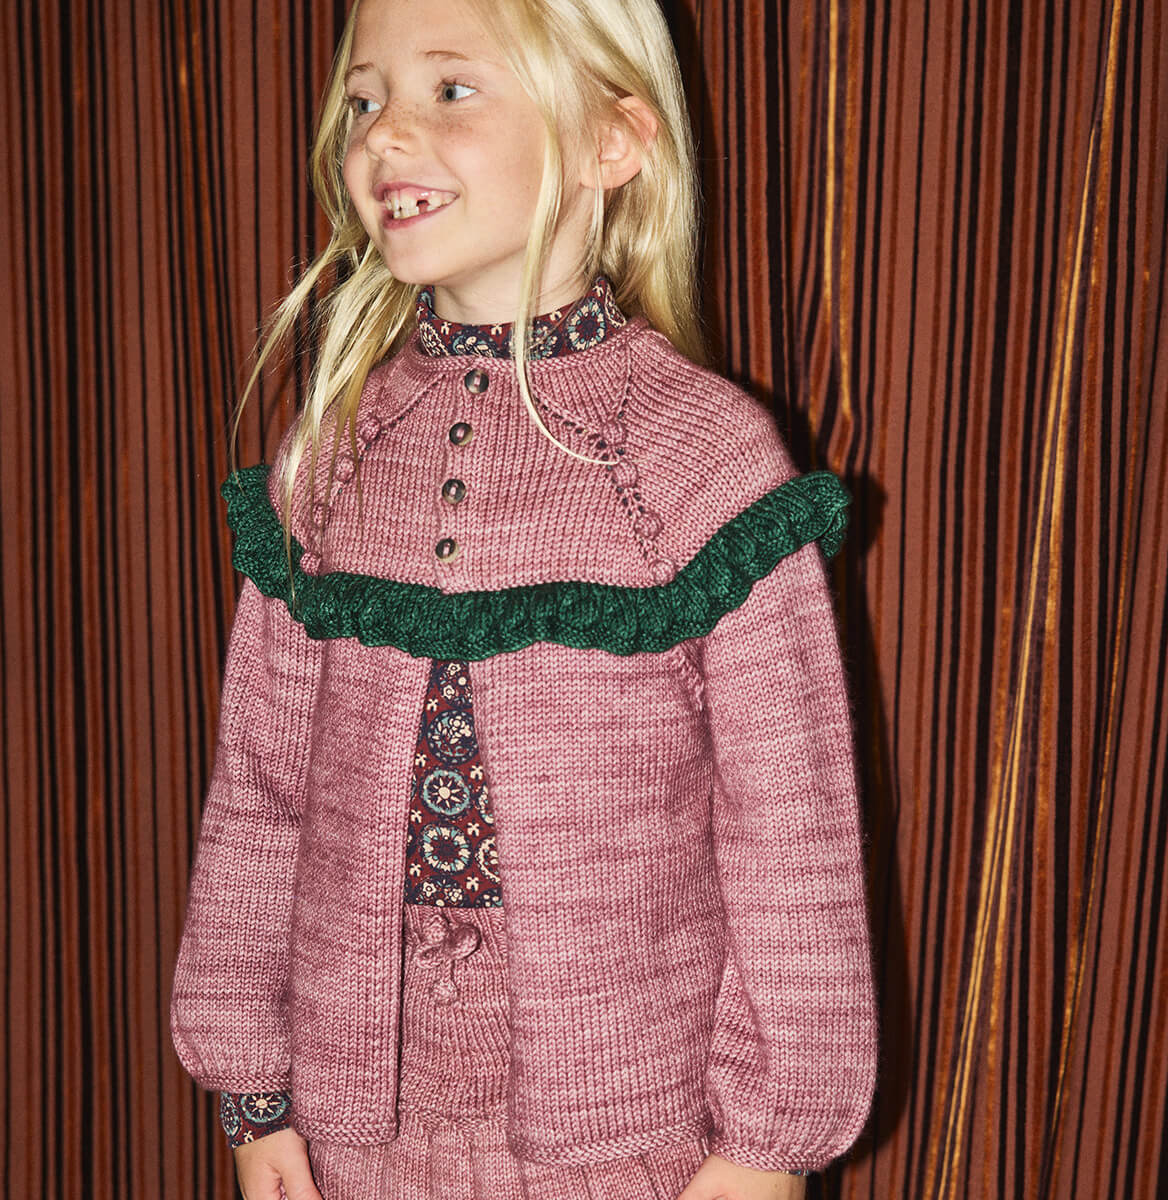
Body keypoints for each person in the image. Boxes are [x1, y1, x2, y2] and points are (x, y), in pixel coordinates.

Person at [169, 0, 878, 1197]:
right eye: (363, 99)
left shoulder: (702, 461)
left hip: (632, 1142)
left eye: (451, 90)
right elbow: (260, 793)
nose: (383, 134)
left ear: (612, 140)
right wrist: (253, 1089)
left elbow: (788, 834)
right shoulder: (331, 454)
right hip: (356, 1136)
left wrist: (766, 1148)